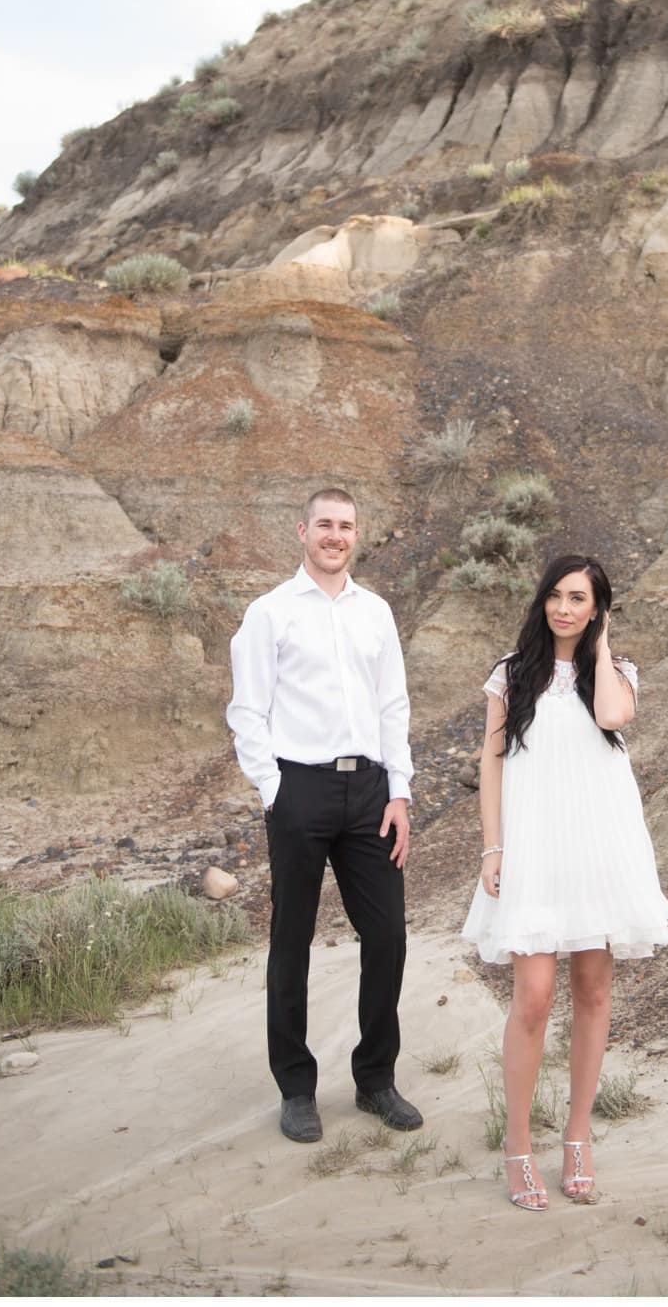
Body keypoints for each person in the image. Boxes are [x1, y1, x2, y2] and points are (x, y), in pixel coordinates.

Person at [462, 554, 668, 1210]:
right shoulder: (512, 673)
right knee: (532, 995)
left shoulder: (615, 674)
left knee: (593, 987)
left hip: (599, 848)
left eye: (578, 598)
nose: (562, 608)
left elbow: (612, 717)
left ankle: (578, 1138)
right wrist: (492, 847)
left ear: (596, 607)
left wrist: (601, 643)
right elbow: (491, 762)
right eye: (554, 595)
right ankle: (518, 1146)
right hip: (534, 850)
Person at [226, 486, 422, 1144]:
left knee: (389, 935)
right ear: (301, 531)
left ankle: (374, 1080)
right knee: (291, 942)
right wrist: (273, 789)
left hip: (370, 793)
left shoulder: (376, 613)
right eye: (324, 525)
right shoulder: (270, 613)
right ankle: (297, 1089)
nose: (335, 536)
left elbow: (393, 707)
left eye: (346, 526)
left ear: (356, 535)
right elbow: (246, 711)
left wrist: (400, 792)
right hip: (300, 791)